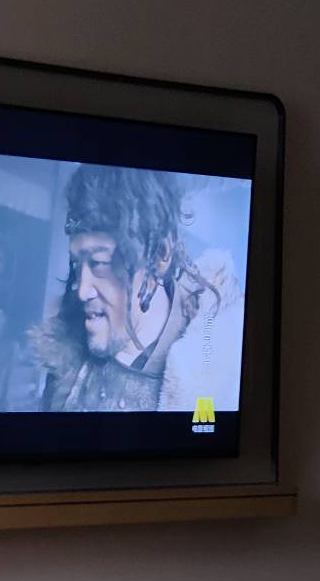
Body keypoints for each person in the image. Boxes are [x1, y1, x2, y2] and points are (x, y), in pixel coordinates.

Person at [30, 164, 234, 414]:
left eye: (100, 263)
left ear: (160, 255)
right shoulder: (66, 362)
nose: (82, 291)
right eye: (77, 264)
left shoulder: (214, 377)